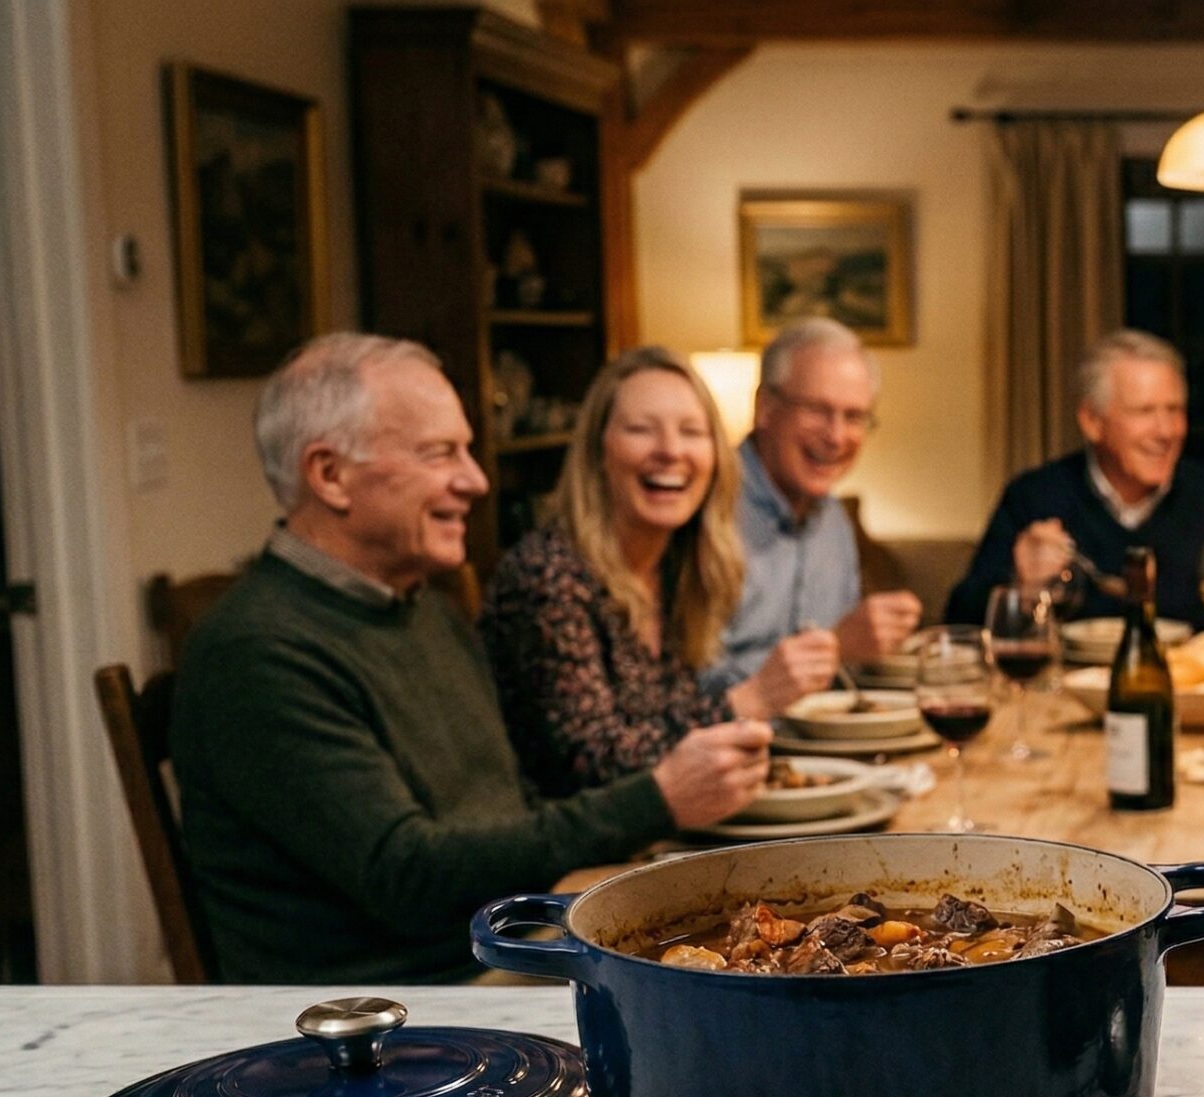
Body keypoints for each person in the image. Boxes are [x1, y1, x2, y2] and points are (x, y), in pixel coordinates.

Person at [173, 334, 770, 984]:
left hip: (510, 940)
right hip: (406, 1011)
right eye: (440, 454)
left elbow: (508, 806)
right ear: (330, 475)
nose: (476, 480)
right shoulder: (259, 651)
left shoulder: (422, 605)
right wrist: (653, 800)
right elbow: (409, 874)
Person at [482, 347, 833, 797]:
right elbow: (590, 766)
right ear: (597, 452)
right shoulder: (548, 577)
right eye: (641, 430)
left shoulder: (675, 569)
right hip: (575, 861)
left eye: (691, 432)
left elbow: (670, 727)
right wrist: (752, 699)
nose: (670, 451)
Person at [945, 330, 1204, 632]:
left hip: (1189, 679)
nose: (1165, 432)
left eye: (1174, 410)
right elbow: (959, 622)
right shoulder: (1035, 497)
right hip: (1068, 679)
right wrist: (1020, 586)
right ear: (1092, 422)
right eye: (1144, 411)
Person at [707, 318, 922, 694]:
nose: (836, 436)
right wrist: (836, 647)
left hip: (826, 745)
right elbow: (677, 689)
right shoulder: (703, 510)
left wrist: (871, 644)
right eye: (817, 410)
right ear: (765, 409)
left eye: (854, 417)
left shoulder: (834, 520)